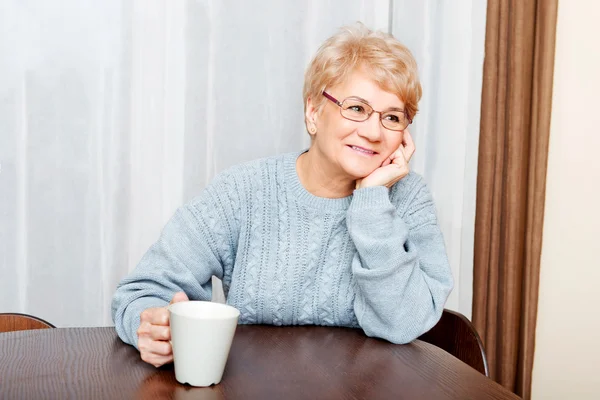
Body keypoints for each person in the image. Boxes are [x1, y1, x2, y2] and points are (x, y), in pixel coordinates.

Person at [112, 22, 453, 368]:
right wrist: (150, 324)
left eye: (392, 117)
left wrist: (371, 206)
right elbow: (143, 290)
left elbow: (405, 323)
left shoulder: (408, 198)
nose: (373, 131)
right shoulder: (244, 191)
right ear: (313, 112)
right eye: (356, 108)